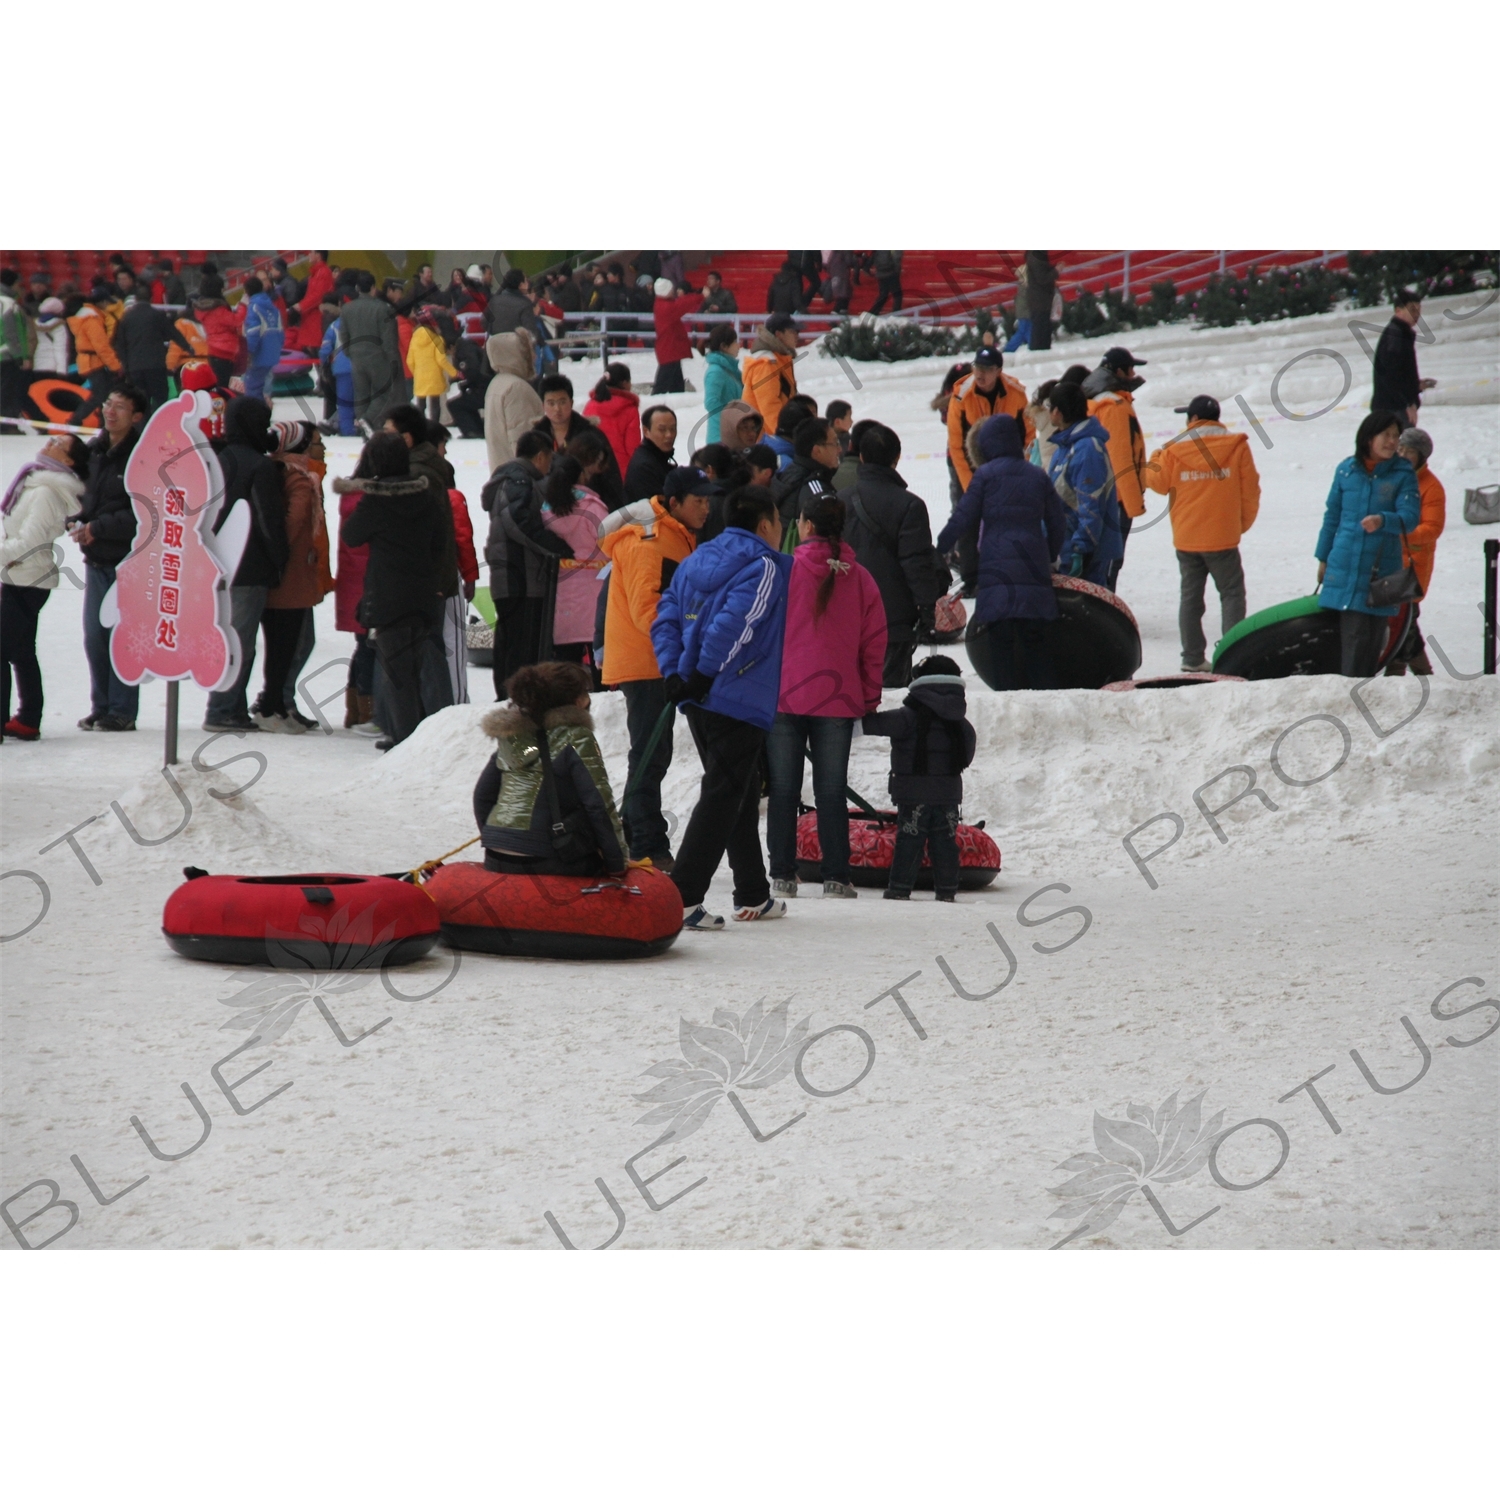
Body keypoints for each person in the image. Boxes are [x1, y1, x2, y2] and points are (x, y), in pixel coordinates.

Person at [652, 484, 792, 929]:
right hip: (736, 692)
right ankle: (685, 896)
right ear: (766, 523)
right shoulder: (764, 564)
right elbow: (740, 623)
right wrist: (705, 673)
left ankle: (753, 892)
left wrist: (676, 673)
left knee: (740, 791)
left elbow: (667, 616)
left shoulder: (695, 559)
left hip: (698, 695)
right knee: (723, 795)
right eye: (779, 523)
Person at [767, 491, 886, 899]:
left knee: (783, 788)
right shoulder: (862, 578)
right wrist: (869, 696)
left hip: (784, 696)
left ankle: (782, 874)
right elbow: (874, 644)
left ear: (806, 526)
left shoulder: (784, 571)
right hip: (837, 700)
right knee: (831, 790)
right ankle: (837, 876)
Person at [598, 468, 712, 870]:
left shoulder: (674, 536)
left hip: (655, 659)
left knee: (653, 752)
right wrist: (679, 655)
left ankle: (641, 835)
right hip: (646, 661)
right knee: (648, 754)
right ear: (675, 502)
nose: (706, 507)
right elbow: (648, 610)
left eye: (708, 499)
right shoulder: (651, 542)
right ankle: (644, 842)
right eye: (698, 500)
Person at [938, 415, 1067, 690]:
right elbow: (1057, 521)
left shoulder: (984, 476)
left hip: (996, 569)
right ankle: (1047, 701)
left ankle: (1007, 696)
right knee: (1036, 642)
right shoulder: (1037, 475)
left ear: (985, 445)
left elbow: (963, 518)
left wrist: (940, 546)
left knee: (1001, 643)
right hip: (1033, 564)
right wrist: (1050, 555)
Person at [341, 432, 449, 746]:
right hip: (422, 596)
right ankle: (413, 737)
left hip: (388, 598)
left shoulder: (377, 499)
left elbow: (352, 535)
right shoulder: (426, 495)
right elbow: (439, 543)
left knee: (396, 675)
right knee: (415, 671)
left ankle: (404, 742)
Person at [473, 660, 627, 877]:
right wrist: (617, 863)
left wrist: (501, 838)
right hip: (547, 858)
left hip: (495, 856)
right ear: (576, 701)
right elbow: (598, 805)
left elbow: (482, 796)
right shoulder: (576, 737)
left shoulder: (513, 738)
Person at [1145, 395, 1262, 671]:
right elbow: (1251, 491)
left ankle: (1192, 658)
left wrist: (1155, 455)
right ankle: (1233, 656)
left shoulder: (1173, 450)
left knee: (1191, 598)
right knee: (1232, 593)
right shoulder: (1236, 446)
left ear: (1194, 419)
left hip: (1187, 540)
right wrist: (1238, 524)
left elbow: (1157, 483)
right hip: (1223, 537)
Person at [202, 398, 290, 731]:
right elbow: (268, 520)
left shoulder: (216, 459)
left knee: (225, 638)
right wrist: (280, 560)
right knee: (240, 642)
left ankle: (229, 705)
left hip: (213, 564)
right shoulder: (260, 467)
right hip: (248, 565)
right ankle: (223, 708)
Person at [861, 655, 977, 902]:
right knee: (945, 842)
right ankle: (946, 891)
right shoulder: (960, 722)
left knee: (910, 840)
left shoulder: (906, 717)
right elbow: (966, 757)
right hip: (948, 793)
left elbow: (870, 725)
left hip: (912, 793)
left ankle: (900, 888)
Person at [1314, 411, 1422, 678]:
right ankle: (1352, 696)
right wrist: (1323, 558)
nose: (1392, 441)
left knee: (1370, 641)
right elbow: (1332, 517)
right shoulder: (1346, 470)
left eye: (1396, 436)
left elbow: (1410, 518)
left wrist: (1383, 520)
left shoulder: (1402, 474)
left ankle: (1356, 696)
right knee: (1353, 637)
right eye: (1386, 435)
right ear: (1368, 437)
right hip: (1344, 565)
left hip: (1380, 572)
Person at [69, 383, 147, 730]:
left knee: (124, 636)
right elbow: (76, 492)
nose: (110, 412)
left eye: (120, 407)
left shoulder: (142, 456)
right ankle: (101, 705)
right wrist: (75, 520)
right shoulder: (94, 449)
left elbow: (144, 513)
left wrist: (98, 527)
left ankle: (122, 710)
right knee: (95, 637)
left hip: (128, 562)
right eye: (108, 404)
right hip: (96, 559)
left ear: (137, 417)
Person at [1, 434, 89, 739]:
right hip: (21, 576)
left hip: (27, 578)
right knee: (22, 651)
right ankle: (28, 719)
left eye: (58, 443)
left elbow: (31, 543)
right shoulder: (37, 484)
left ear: (67, 461)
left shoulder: (46, 493)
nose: (49, 441)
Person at [842, 422, 942, 688]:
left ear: (860, 456)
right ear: (896, 459)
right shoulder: (910, 505)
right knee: (889, 696)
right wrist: (927, 608)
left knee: (848, 693)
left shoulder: (840, 501)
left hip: (847, 617)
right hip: (893, 620)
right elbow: (916, 562)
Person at [252, 423, 333, 731]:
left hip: (297, 573)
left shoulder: (295, 474)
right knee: (288, 644)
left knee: (294, 643)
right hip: (293, 576)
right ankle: (275, 703)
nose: (322, 447)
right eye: (315, 442)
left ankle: (282, 702)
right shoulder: (298, 478)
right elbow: (293, 525)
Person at [482, 429, 571, 697]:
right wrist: (555, 546)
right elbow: (518, 521)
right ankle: (515, 698)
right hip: (520, 575)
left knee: (510, 642)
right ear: (541, 456)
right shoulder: (519, 480)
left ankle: (508, 695)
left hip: (511, 575)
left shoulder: (507, 478)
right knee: (520, 644)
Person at [1047, 382, 1124, 589]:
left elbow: (1092, 503)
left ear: (1058, 412)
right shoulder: (1065, 445)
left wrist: (1081, 550)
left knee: (1089, 613)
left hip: (1084, 552)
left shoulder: (1087, 447)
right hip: (1066, 546)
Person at [1082, 346, 1149, 585]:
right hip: (1116, 498)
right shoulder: (1114, 406)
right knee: (1110, 560)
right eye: (1131, 369)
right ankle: (1104, 611)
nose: (1133, 375)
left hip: (1100, 493)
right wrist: (1133, 503)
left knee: (1100, 560)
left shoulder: (1097, 398)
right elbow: (1120, 457)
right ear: (1120, 371)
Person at [539, 442, 609, 665]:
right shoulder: (592, 507)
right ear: (581, 476)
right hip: (594, 590)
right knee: (597, 655)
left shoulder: (545, 510)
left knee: (567, 659)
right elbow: (608, 542)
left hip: (561, 591)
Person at [1383, 426, 1445, 677]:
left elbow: (1432, 528)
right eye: (1400, 449)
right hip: (1390, 563)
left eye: (1409, 452)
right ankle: (1396, 674)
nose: (1402, 455)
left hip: (1412, 567)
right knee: (1400, 623)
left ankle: (1423, 674)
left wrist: (1399, 534)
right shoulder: (1393, 478)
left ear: (1421, 457)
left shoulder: (1431, 487)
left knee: (1404, 622)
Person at [334, 445, 380, 733]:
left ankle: (355, 709)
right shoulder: (371, 499)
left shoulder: (351, 496)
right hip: (369, 582)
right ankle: (368, 710)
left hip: (352, 581)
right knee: (370, 648)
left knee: (363, 645)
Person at [531, 373, 626, 511]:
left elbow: (611, 478)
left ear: (572, 402)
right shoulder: (535, 438)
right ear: (543, 405)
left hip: (590, 510)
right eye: (551, 403)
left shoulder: (591, 436)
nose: (557, 409)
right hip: (547, 512)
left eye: (562, 402)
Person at [112, 284, 193, 410]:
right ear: (151, 298)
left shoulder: (126, 318)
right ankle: (157, 426)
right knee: (160, 399)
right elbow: (174, 334)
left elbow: (120, 345)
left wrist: (126, 366)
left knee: (139, 403)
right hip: (156, 366)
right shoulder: (157, 315)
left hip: (135, 367)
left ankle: (142, 428)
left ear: (136, 299)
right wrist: (188, 348)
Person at [337, 272, 402, 429]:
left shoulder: (347, 309)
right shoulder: (382, 308)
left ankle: (363, 426)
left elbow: (343, 334)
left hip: (356, 358)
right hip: (378, 358)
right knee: (383, 393)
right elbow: (389, 338)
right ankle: (366, 420)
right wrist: (393, 359)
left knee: (361, 395)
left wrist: (349, 352)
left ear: (357, 288)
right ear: (373, 288)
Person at [772, 417, 842, 547]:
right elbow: (824, 542)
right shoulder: (814, 489)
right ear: (817, 451)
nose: (840, 450)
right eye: (834, 443)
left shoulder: (790, 473)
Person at [483, 329, 545, 475]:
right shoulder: (516, 387)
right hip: (520, 478)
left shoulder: (497, 383)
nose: (535, 357)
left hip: (504, 474)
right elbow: (522, 440)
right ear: (517, 356)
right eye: (530, 352)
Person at [1372, 289, 1436, 424]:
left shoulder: (1401, 334)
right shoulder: (1396, 336)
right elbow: (1391, 376)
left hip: (1393, 406)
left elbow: (1402, 373)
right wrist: (1407, 404)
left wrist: (1416, 385)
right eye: (1412, 309)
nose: (1417, 314)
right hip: (1393, 409)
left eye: (1418, 310)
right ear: (1398, 310)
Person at [67, 286, 124, 427]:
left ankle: (101, 423)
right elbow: (102, 346)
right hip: (93, 362)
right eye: (106, 302)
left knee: (104, 393)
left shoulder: (87, 317)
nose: (108, 306)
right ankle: (75, 420)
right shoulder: (92, 320)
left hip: (89, 361)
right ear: (101, 302)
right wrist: (116, 366)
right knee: (100, 395)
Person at [742, 313, 799, 438]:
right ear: (778, 334)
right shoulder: (766, 363)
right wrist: (784, 436)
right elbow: (769, 406)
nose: (797, 335)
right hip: (766, 439)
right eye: (792, 331)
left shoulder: (779, 359)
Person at [583, 364, 642, 477]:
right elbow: (633, 448)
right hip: (621, 473)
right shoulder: (629, 409)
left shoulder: (590, 405)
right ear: (625, 383)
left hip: (593, 469)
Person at [651, 278, 703, 394]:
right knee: (662, 384)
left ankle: (677, 400)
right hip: (670, 349)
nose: (673, 291)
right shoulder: (667, 307)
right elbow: (683, 304)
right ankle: (655, 404)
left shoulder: (661, 304)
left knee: (676, 383)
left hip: (670, 349)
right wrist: (700, 296)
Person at [407, 307, 457, 421]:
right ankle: (434, 426)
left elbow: (410, 360)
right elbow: (441, 360)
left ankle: (420, 426)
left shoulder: (414, 339)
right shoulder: (437, 339)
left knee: (420, 403)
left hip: (420, 376)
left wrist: (416, 372)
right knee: (435, 403)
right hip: (434, 376)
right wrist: (454, 372)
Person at [239, 277, 284, 403]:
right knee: (261, 387)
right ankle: (262, 413)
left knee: (252, 388)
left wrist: (248, 352)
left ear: (247, 291)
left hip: (259, 354)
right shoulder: (274, 308)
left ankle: (256, 417)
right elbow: (281, 332)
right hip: (272, 353)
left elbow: (253, 333)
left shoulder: (254, 308)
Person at [625, 405, 678, 501]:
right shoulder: (644, 467)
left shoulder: (659, 458)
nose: (669, 435)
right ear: (646, 431)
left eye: (673, 429)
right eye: (662, 430)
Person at [319, 301, 357, 436]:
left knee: (345, 403)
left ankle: (346, 431)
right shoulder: (364, 324)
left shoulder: (335, 325)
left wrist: (324, 367)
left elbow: (325, 350)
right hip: (363, 368)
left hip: (342, 368)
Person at [703, 324, 743, 442]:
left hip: (733, 434)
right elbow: (711, 402)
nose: (739, 346)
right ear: (724, 346)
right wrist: (732, 417)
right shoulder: (716, 371)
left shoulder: (731, 370)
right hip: (720, 437)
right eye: (735, 342)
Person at [1, 270, 32, 423]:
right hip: (6, 356)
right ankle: (7, 425)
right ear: (13, 284)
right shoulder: (8, 303)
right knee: (8, 392)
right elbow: (14, 333)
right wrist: (22, 357)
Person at [485, 268, 543, 342]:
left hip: (495, 347)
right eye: (525, 281)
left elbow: (484, 322)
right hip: (515, 347)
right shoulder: (524, 304)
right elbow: (531, 333)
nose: (528, 284)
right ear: (521, 285)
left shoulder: (495, 300)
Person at [29, 297, 71, 378]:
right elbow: (60, 348)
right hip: (52, 367)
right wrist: (62, 371)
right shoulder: (58, 325)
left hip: (37, 365)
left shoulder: (33, 324)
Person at [1024, 251, 1058, 350]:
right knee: (1040, 330)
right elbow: (1042, 278)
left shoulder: (1038, 256)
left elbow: (1043, 271)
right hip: (1040, 300)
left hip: (1042, 299)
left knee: (1044, 329)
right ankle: (1038, 354)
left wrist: (1053, 269)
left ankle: (1043, 351)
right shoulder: (1036, 257)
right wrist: (1056, 271)